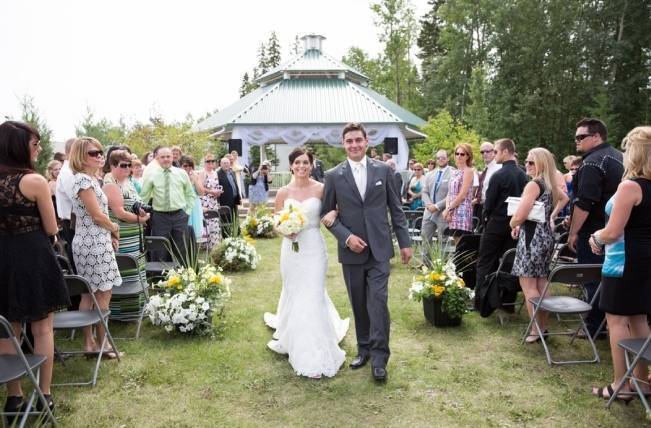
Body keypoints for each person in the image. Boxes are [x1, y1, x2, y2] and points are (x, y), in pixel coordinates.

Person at [321, 122, 412, 382]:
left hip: (381, 249)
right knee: (359, 303)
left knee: (378, 302)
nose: (354, 145)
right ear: (343, 144)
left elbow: (396, 209)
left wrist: (405, 242)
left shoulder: (384, 170)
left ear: (366, 142)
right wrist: (346, 238)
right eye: (349, 141)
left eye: (358, 140)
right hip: (351, 252)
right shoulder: (333, 176)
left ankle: (380, 357)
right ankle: (363, 349)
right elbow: (327, 217)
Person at [0, 121, 70, 415]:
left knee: (7, 330)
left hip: (2, 258)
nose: (39, 149)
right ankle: (44, 394)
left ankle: (14, 396)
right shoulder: (35, 181)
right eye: (34, 144)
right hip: (33, 258)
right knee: (42, 329)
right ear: (19, 147)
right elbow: (52, 226)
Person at [264, 147, 349, 379]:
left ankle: (313, 352)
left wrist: (333, 214)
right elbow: (275, 220)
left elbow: (336, 209)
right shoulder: (283, 191)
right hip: (291, 251)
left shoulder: (321, 189)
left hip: (313, 247)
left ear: (311, 165)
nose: (301, 166)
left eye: (306, 163)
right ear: (291, 165)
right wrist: (284, 230)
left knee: (312, 294)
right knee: (295, 291)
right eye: (297, 163)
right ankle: (295, 337)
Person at [589, 126, 651, 401]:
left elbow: (613, 232)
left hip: (622, 262)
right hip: (645, 261)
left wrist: (596, 236)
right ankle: (641, 380)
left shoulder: (631, 186)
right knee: (639, 318)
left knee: (616, 320)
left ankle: (620, 384)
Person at [568, 118, 623, 337]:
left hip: (595, 233)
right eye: (575, 137)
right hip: (617, 230)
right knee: (608, 280)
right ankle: (607, 324)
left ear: (596, 136)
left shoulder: (592, 162)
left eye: (581, 137)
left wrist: (573, 231)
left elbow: (585, 202)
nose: (577, 142)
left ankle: (594, 328)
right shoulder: (619, 157)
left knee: (592, 279)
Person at [69, 137, 122, 358]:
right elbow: (97, 215)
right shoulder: (83, 180)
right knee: (102, 293)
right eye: (93, 152)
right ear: (81, 156)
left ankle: (91, 343)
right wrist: (115, 228)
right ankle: (101, 344)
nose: (100, 156)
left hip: (92, 241)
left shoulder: (89, 179)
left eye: (101, 152)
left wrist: (108, 232)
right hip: (93, 243)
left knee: (89, 295)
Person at [510, 148, 568, 343]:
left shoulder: (534, 185)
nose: (526, 165)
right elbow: (565, 198)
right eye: (526, 161)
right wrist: (551, 216)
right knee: (541, 282)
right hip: (546, 236)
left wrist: (512, 224)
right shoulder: (550, 184)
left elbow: (520, 215)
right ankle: (543, 327)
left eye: (531, 162)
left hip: (532, 237)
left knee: (528, 284)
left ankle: (536, 330)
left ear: (541, 164)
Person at [475, 139, 528, 309]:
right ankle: (508, 303)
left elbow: (489, 204)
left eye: (496, 152)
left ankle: (482, 302)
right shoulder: (523, 175)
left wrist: (486, 219)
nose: (494, 155)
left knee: (486, 262)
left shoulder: (498, 175)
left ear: (505, 152)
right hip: (515, 226)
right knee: (509, 262)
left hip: (497, 224)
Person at [102, 150, 150, 311]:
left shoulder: (127, 182)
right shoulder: (110, 184)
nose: (127, 168)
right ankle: (122, 312)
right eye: (123, 165)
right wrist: (141, 220)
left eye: (129, 165)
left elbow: (135, 203)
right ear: (112, 165)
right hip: (121, 235)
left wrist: (141, 211)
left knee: (135, 268)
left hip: (134, 234)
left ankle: (137, 308)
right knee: (125, 270)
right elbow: (119, 212)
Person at [141, 147, 195, 263]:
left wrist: (187, 212)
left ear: (172, 157)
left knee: (181, 249)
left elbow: (190, 195)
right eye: (162, 157)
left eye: (168, 157)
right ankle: (159, 279)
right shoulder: (151, 175)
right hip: (160, 217)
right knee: (159, 249)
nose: (166, 159)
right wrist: (142, 213)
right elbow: (144, 197)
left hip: (180, 216)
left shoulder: (181, 174)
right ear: (157, 158)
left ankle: (183, 278)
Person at [421, 150, 455, 262]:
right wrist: (429, 204)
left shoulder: (453, 173)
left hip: (443, 212)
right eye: (438, 158)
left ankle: (442, 267)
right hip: (429, 211)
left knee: (443, 240)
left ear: (448, 159)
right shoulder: (430, 174)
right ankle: (425, 264)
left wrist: (437, 206)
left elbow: (452, 194)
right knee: (425, 238)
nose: (440, 159)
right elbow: (424, 192)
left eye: (443, 157)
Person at [443, 143, 476, 243]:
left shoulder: (469, 171)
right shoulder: (454, 171)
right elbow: (449, 193)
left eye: (462, 154)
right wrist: (447, 209)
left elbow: (462, 195)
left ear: (468, 156)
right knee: (456, 242)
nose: (459, 156)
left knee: (462, 244)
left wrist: (448, 209)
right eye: (457, 153)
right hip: (452, 210)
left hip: (462, 211)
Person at [55, 138, 77, 267]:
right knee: (75, 255)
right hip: (71, 221)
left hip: (72, 220)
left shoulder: (70, 170)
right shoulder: (68, 172)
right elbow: (76, 198)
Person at [198, 153, 223, 249]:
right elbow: (200, 189)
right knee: (207, 222)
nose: (211, 163)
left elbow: (215, 186)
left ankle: (214, 243)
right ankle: (204, 244)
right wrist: (211, 191)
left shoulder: (215, 173)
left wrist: (218, 192)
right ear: (204, 163)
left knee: (215, 221)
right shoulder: (202, 173)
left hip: (214, 201)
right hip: (205, 201)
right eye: (208, 161)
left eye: (213, 161)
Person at [473, 141, 501, 221]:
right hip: (481, 206)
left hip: (492, 208)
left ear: (494, 152)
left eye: (487, 151)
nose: (484, 154)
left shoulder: (498, 168)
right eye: (482, 152)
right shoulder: (487, 168)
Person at [180, 155, 205, 240]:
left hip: (195, 206)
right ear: (180, 166)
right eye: (185, 166)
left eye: (190, 166)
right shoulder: (178, 176)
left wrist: (195, 180)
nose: (188, 168)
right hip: (183, 206)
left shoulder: (195, 175)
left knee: (195, 234)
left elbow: (201, 193)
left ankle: (194, 250)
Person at [217, 157, 242, 236]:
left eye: (227, 163)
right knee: (226, 219)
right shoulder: (218, 174)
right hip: (224, 201)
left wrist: (239, 197)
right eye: (224, 163)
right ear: (220, 164)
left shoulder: (231, 172)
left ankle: (236, 233)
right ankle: (226, 235)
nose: (226, 164)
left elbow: (235, 185)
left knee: (235, 217)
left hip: (234, 200)